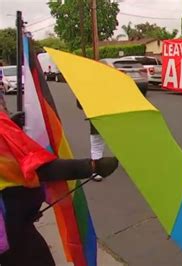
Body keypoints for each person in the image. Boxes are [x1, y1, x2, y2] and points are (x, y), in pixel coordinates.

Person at [0, 105, 119, 266]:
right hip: (11, 227)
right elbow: (41, 168)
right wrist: (93, 167)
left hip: (16, 219)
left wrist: (11, 128)